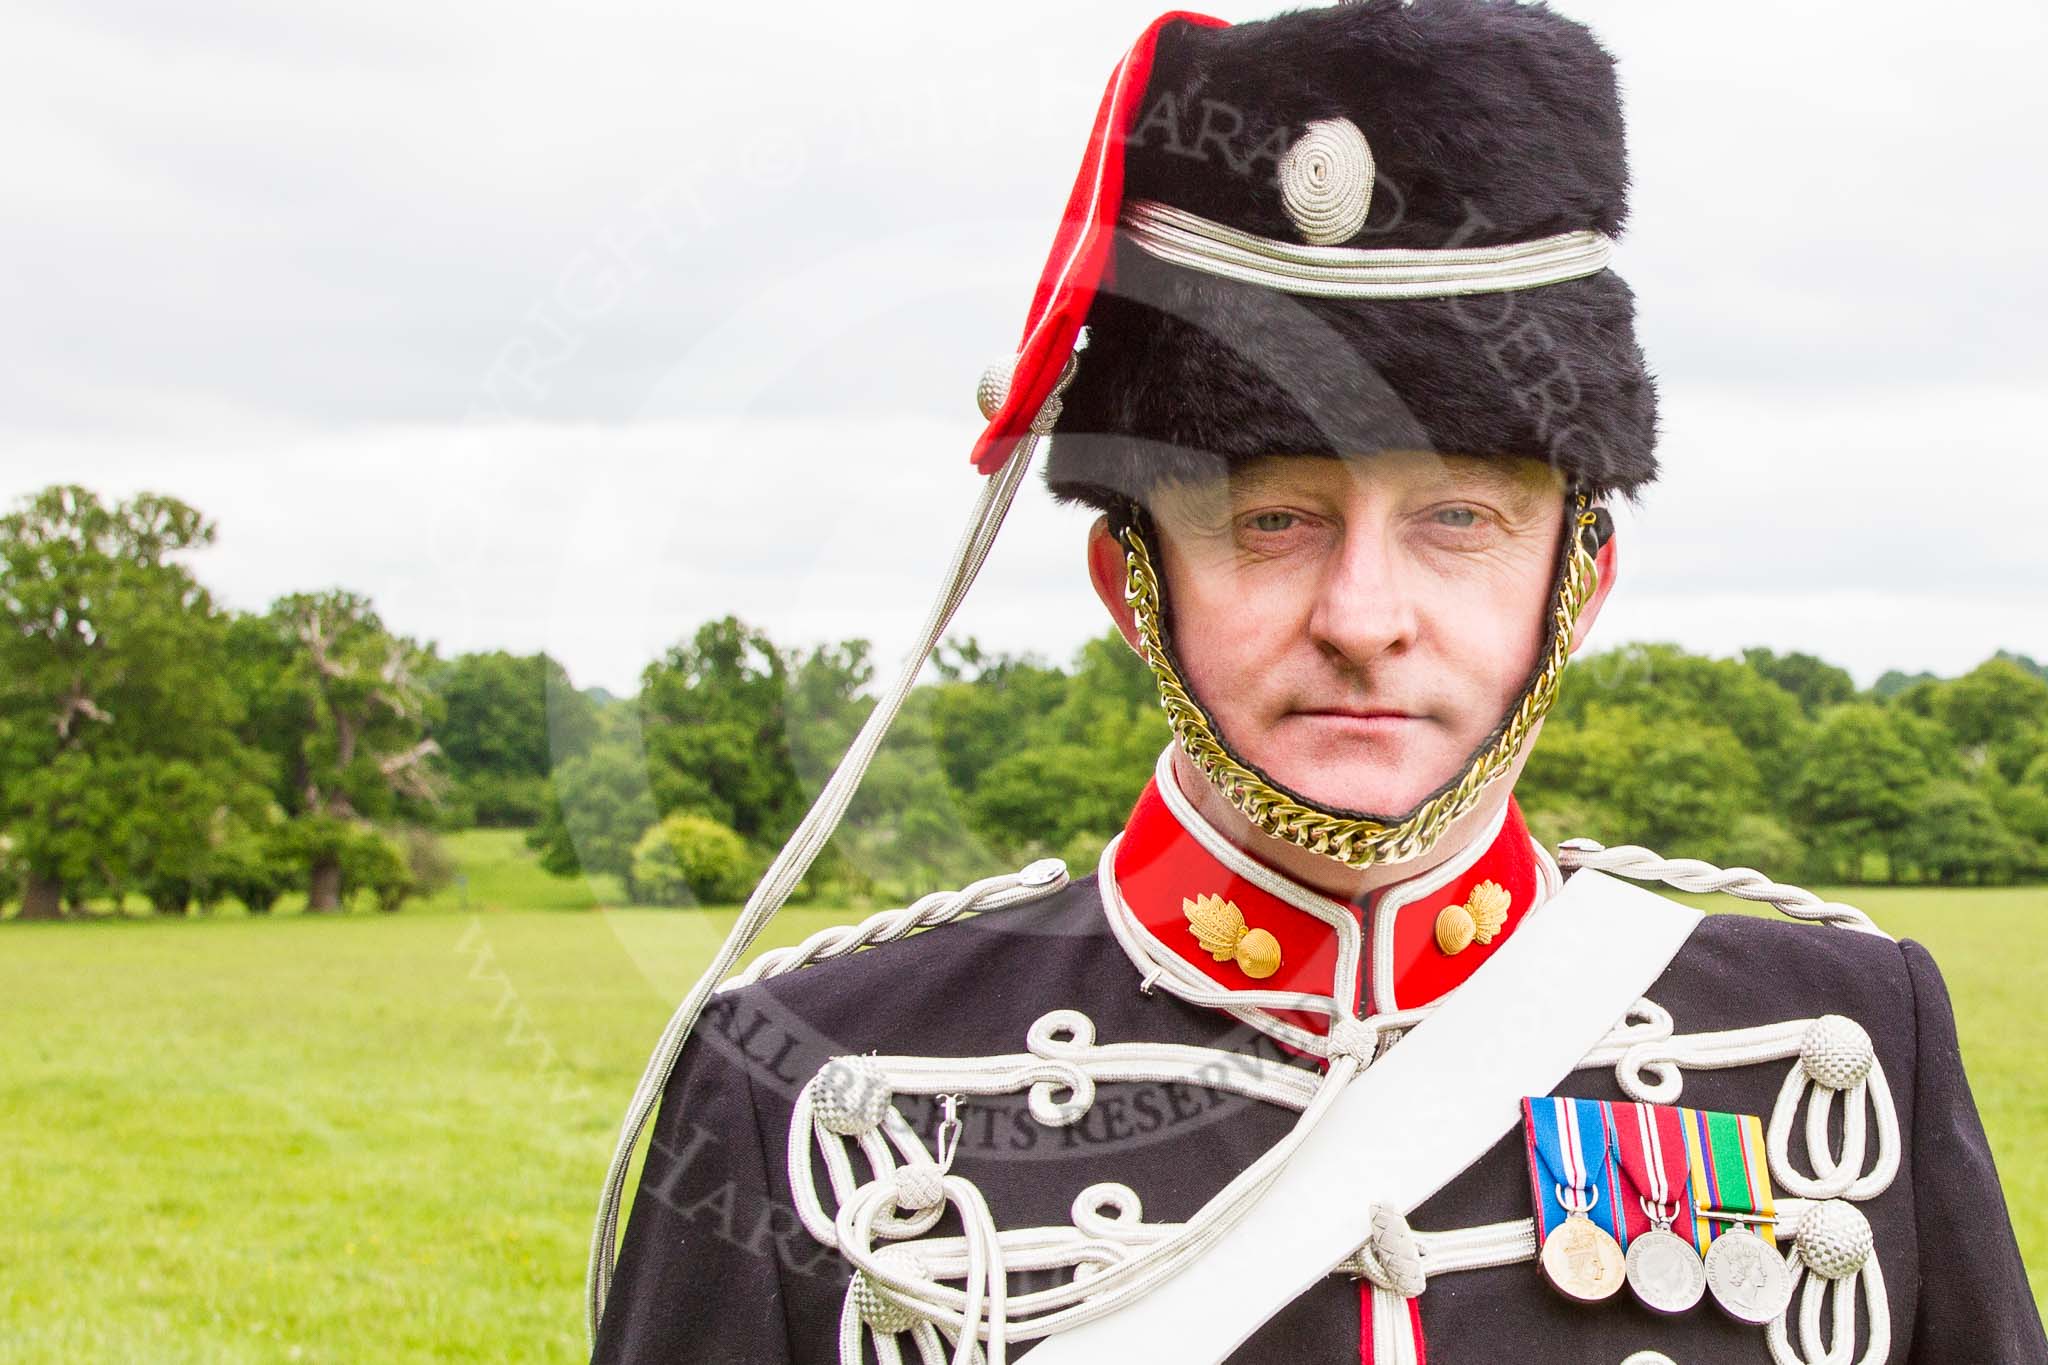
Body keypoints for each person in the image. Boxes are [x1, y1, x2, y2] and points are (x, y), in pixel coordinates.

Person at [586, 3, 2047, 1361]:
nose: (1365, 617)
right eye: (1274, 518)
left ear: (1579, 583)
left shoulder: (1845, 1047)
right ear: (1130, 582)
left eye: (1459, 520)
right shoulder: (804, 1084)